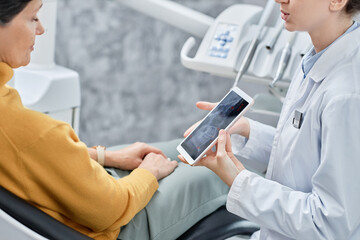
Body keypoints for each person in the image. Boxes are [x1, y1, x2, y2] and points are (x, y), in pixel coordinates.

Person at [0, 0, 229, 239]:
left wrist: (105, 156)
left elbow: (34, 156)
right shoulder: (31, 131)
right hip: (115, 225)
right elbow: (112, 209)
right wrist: (149, 173)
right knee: (218, 170)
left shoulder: (20, 126)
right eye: (33, 18)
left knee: (182, 150)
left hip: (81, 199)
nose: (41, 29)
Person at [179, 0, 360, 239]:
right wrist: (246, 130)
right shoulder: (318, 56)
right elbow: (309, 153)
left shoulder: (347, 94)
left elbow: (330, 226)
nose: (278, 0)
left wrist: (238, 181)